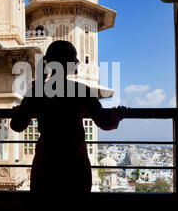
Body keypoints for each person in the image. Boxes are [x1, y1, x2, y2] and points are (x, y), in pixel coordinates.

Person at [10, 40, 127, 195]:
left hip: (46, 164)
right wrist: (118, 115)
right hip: (74, 164)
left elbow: (17, 125)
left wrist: (22, 110)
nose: (78, 61)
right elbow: (105, 122)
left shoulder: (36, 92)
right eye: (75, 57)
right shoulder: (80, 91)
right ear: (68, 63)